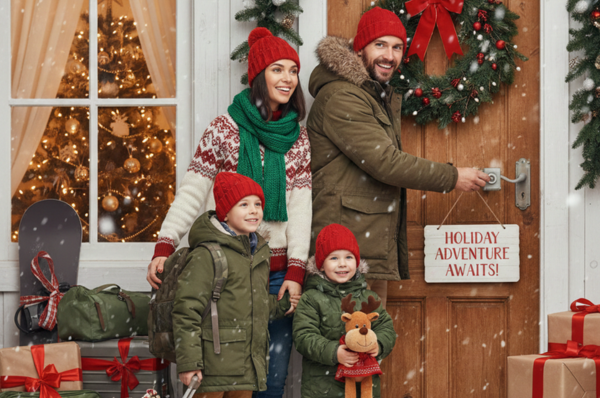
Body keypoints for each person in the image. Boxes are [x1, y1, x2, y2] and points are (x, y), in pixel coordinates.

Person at [147, 27, 311, 398]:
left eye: (292, 70)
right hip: (224, 273)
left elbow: (301, 207)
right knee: (220, 378)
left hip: (275, 275)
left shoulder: (297, 139)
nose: (287, 79)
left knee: (271, 378)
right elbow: (192, 191)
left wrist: (297, 269)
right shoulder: (224, 130)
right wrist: (164, 244)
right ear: (258, 76)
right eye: (276, 69)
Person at [306, 7, 490, 307]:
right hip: (343, 250)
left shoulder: (371, 93)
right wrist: (453, 177)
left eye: (397, 47)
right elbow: (385, 162)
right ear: (359, 47)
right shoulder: (343, 96)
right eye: (380, 45)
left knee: (368, 346)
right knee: (344, 345)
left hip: (362, 244)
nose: (389, 56)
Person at [174, 172, 298, 398]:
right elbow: (186, 310)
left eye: (258, 204)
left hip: (245, 368)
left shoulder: (258, 252)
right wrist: (189, 362)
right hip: (211, 370)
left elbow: (253, 304)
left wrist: (282, 304)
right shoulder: (207, 254)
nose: (254, 210)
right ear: (226, 212)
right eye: (244, 204)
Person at [292, 223, 396, 398]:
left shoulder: (368, 298)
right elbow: (304, 336)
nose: (342, 264)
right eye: (333, 258)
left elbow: (387, 328)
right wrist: (334, 352)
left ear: (357, 261)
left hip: (362, 385)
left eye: (348, 257)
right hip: (323, 387)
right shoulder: (311, 298)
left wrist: (379, 345)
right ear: (321, 265)